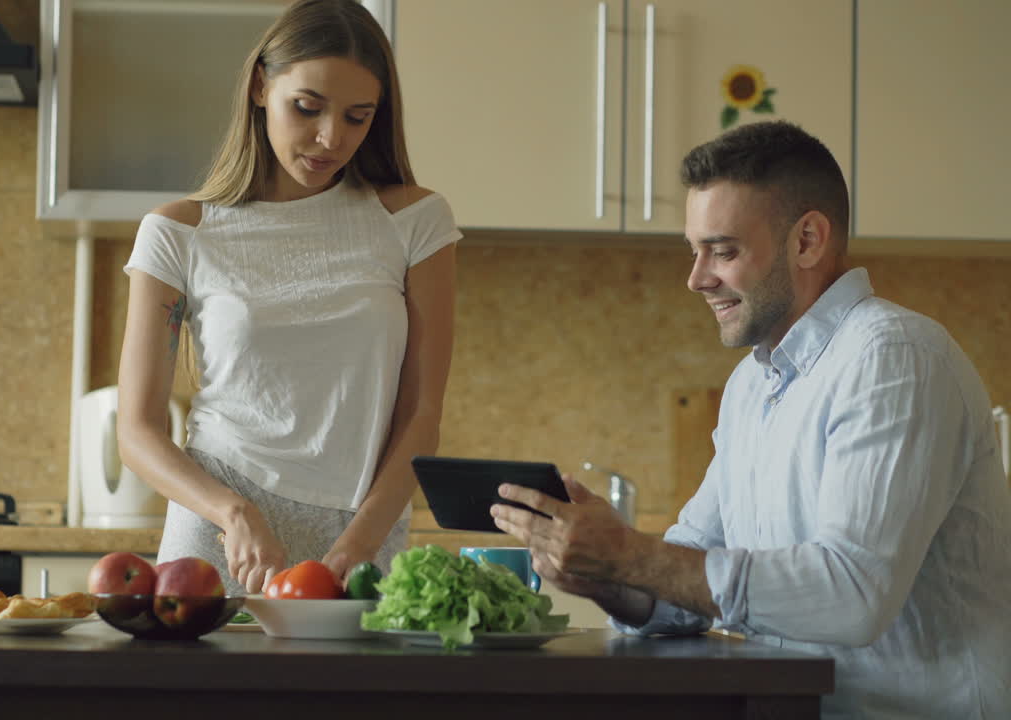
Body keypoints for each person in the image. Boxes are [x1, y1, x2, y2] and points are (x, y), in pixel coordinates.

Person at [491, 120, 1011, 719]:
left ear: (807, 240)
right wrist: (599, 572)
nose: (696, 278)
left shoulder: (894, 357)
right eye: (695, 251)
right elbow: (687, 585)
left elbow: (853, 595)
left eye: (723, 250)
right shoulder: (751, 386)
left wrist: (632, 555)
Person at [116, 0, 459, 596]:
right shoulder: (179, 232)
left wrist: (359, 542)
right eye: (307, 107)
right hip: (220, 530)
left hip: (364, 532)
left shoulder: (413, 221)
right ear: (258, 86)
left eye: (358, 117)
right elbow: (137, 431)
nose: (331, 138)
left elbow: (422, 414)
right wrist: (234, 514)